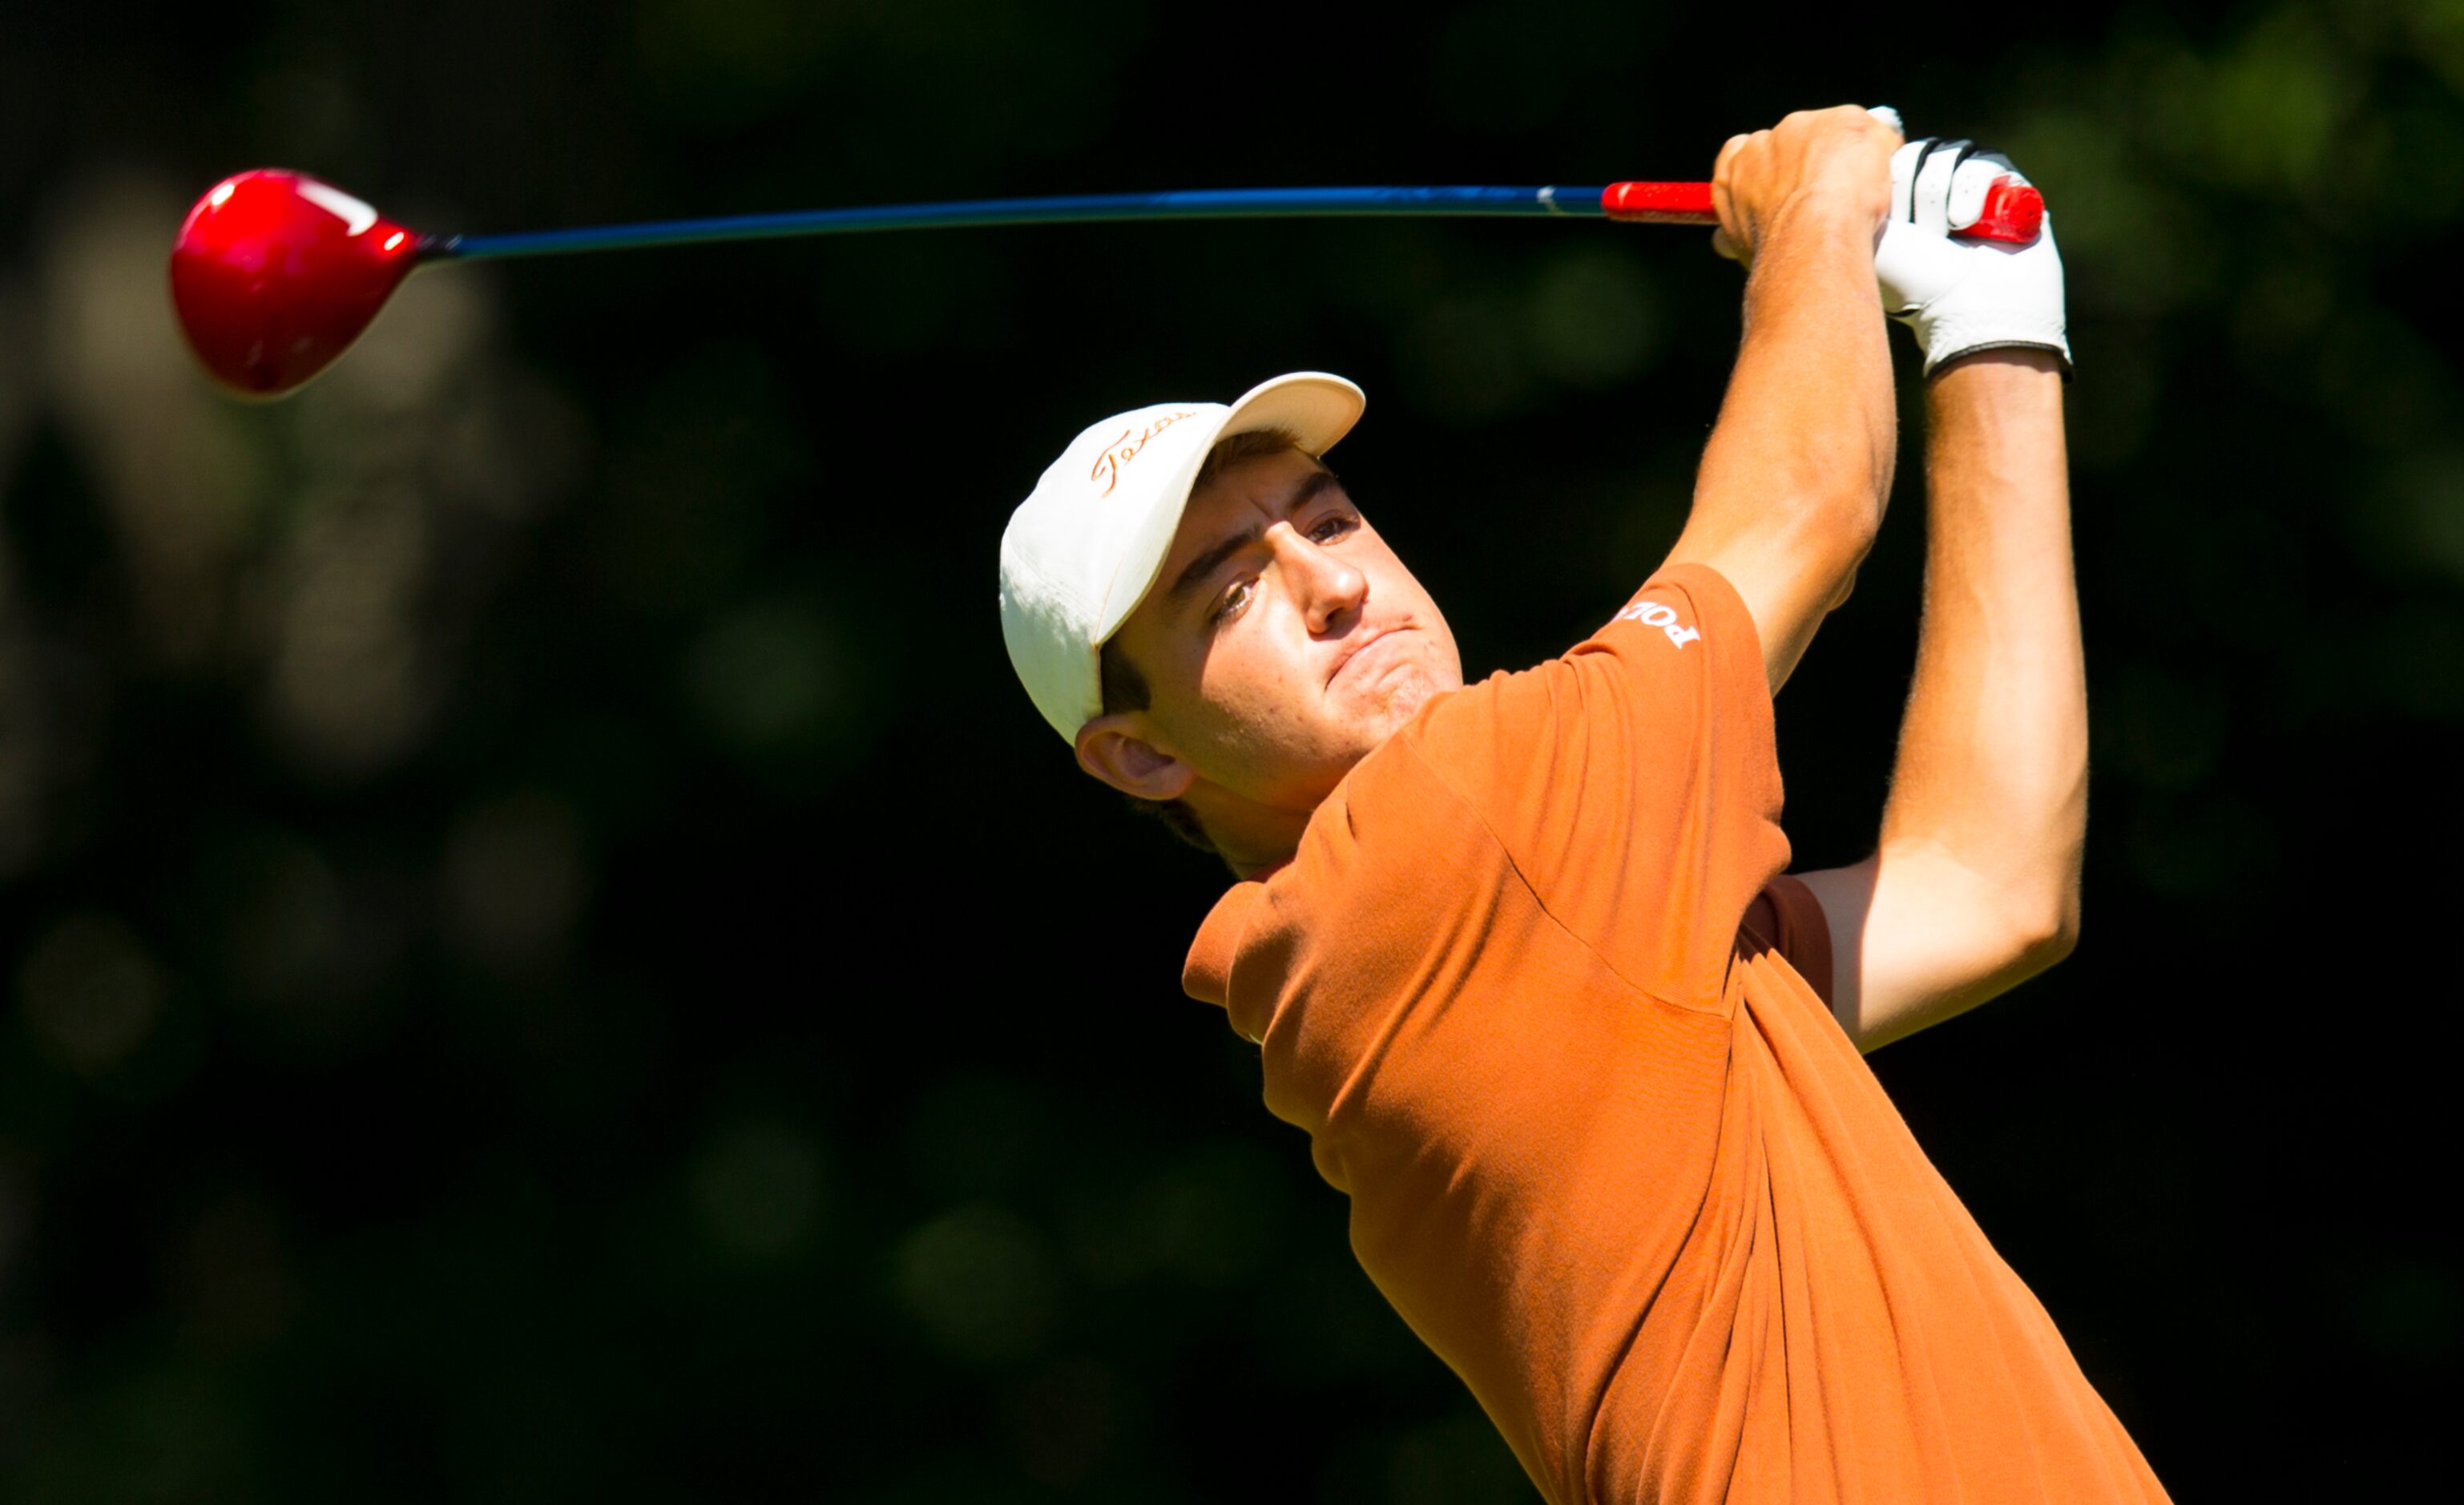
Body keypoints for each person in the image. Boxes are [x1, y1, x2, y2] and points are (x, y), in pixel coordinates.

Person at [998, 106, 2168, 1503]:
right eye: (1228, 591)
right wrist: (1819, 204)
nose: (1332, 583)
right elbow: (1806, 504)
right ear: (1140, 757)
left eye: (1324, 518)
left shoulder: (1569, 945)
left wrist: (1992, 324)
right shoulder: (1451, 840)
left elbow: (1989, 887)